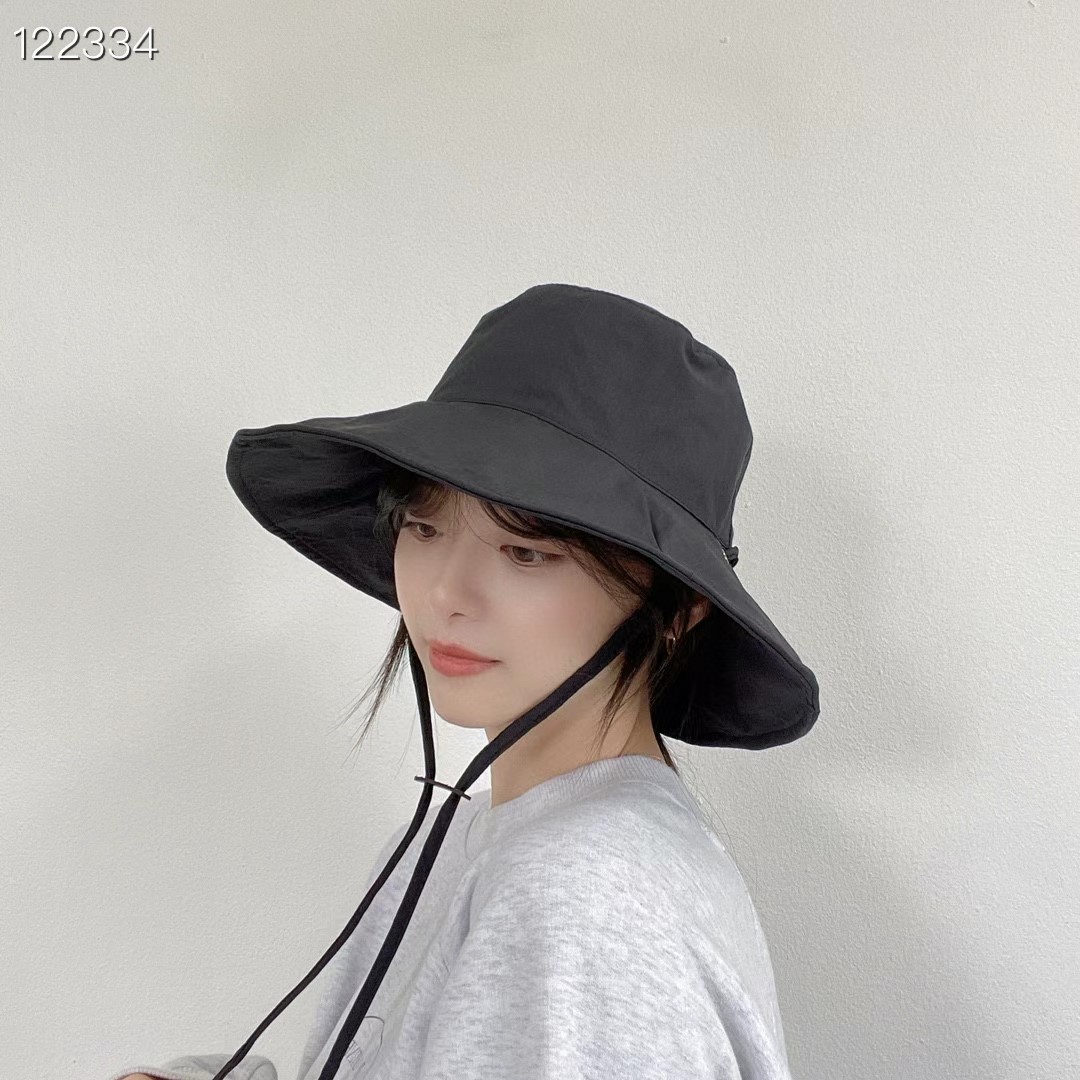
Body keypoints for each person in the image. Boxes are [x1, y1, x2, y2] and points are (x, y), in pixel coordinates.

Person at [106, 283, 820, 1080]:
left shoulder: (586, 889)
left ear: (677, 607)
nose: (445, 593)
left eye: (526, 552)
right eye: (424, 525)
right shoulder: (458, 844)